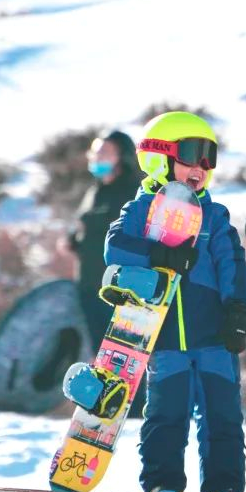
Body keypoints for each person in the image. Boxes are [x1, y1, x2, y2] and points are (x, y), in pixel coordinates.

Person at [104, 111, 246, 492]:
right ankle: (162, 483)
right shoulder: (141, 210)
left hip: (214, 337)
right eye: (191, 154)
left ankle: (224, 488)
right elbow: (114, 248)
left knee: (222, 415)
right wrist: (158, 255)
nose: (201, 167)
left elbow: (232, 264)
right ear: (159, 155)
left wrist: (237, 312)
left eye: (209, 158)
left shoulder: (214, 216)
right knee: (166, 414)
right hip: (163, 336)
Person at [66, 131, 142, 347]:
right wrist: (73, 241)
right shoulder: (94, 191)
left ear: (123, 157)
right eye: (95, 152)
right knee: (98, 358)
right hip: (89, 287)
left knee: (124, 356)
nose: (97, 157)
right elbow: (85, 229)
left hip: (120, 291)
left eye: (105, 152)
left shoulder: (134, 192)